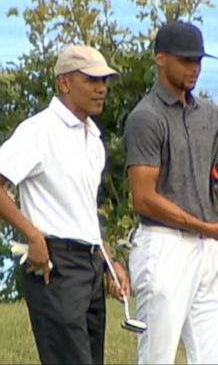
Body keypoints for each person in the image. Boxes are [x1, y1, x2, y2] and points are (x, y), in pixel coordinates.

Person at [123, 21, 218, 364]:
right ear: (161, 59)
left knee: (214, 358)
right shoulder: (145, 118)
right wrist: (211, 229)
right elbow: (144, 197)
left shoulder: (209, 115)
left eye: (198, 60)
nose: (194, 69)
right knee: (157, 357)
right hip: (163, 247)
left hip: (207, 250)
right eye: (185, 60)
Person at [0, 44, 130, 364]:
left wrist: (108, 260)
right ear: (65, 83)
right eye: (91, 80)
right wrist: (32, 235)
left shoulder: (93, 138)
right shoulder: (39, 131)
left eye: (104, 81)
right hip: (54, 265)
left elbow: (82, 211)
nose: (101, 89)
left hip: (89, 266)